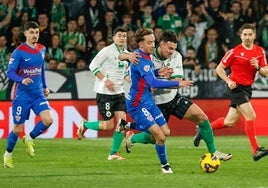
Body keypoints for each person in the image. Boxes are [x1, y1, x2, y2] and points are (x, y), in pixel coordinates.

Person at [118, 30, 232, 162]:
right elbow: (127, 73)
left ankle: (214, 152)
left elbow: (178, 81)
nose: (172, 52)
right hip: (154, 103)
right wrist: (129, 58)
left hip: (172, 98)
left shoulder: (176, 56)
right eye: (170, 48)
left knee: (202, 117)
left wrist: (162, 81)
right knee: (155, 137)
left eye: (174, 49)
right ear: (160, 44)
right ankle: (132, 138)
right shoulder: (145, 56)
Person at [193, 23, 268, 161]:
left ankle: (203, 129)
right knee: (251, 116)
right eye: (244, 34)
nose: (247, 37)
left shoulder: (259, 52)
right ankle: (256, 150)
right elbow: (219, 69)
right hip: (235, 88)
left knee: (229, 122)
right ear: (241, 35)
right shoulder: (234, 52)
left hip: (247, 89)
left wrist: (258, 67)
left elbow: (265, 73)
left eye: (250, 34)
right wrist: (228, 81)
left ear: (254, 36)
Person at [124, 28, 194, 174]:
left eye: (153, 42)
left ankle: (127, 125)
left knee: (166, 131)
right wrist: (177, 83)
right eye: (149, 43)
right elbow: (153, 83)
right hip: (138, 103)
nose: (152, 45)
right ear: (140, 44)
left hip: (147, 100)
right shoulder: (140, 59)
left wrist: (157, 72)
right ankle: (165, 166)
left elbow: (146, 75)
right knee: (160, 137)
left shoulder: (146, 56)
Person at [76, 27, 139, 160]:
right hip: (105, 93)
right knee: (108, 125)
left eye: (124, 36)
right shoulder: (107, 51)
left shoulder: (127, 54)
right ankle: (85, 125)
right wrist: (106, 80)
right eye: (120, 35)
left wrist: (132, 82)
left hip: (119, 93)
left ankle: (113, 153)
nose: (122, 38)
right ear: (114, 38)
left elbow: (125, 73)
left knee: (122, 123)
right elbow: (93, 66)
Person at [3, 21, 53, 168]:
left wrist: (44, 86)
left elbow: (41, 68)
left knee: (48, 120)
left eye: (36, 32)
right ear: (25, 33)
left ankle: (29, 138)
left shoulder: (42, 49)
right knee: (17, 128)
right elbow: (10, 72)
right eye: (31, 32)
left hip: (38, 94)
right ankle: (8, 155)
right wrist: (21, 79)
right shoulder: (19, 52)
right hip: (22, 96)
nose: (34, 35)